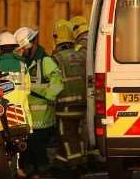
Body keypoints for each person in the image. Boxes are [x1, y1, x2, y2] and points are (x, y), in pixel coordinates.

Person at [14, 26, 64, 178]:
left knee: (39, 155)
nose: (23, 51)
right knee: (29, 155)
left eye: (25, 48)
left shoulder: (45, 61)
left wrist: (49, 95)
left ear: (32, 44)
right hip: (27, 119)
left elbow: (58, 80)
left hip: (43, 119)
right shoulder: (23, 62)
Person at [0, 32, 33, 178]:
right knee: (17, 142)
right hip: (19, 111)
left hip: (0, 110)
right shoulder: (22, 64)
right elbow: (28, 89)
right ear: (14, 48)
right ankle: (15, 168)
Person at [52, 20, 87, 168]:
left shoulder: (56, 58)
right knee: (77, 134)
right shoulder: (80, 55)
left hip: (65, 106)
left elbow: (54, 85)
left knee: (66, 136)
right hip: (82, 105)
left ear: (56, 38)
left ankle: (76, 164)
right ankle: (59, 165)